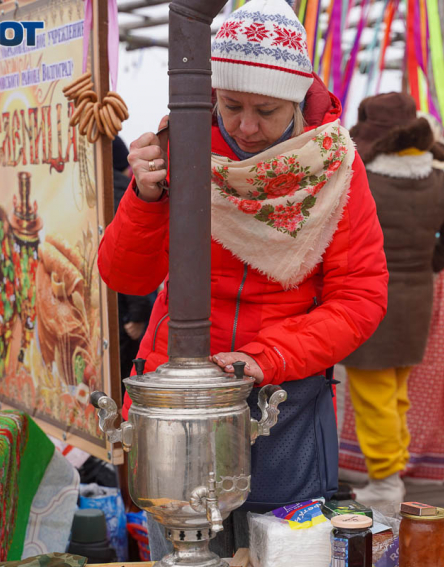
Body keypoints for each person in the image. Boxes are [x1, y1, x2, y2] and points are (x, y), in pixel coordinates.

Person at [97, 0, 388, 557]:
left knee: (279, 551)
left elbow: (361, 298)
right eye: (231, 106)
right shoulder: (179, 142)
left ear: (299, 102)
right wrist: (146, 199)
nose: (246, 127)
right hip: (178, 401)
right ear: (211, 93)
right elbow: (122, 273)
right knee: (179, 549)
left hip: (280, 396)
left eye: (267, 110)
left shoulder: (333, 167)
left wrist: (268, 356)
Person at [336, 93, 444, 506]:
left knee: (373, 397)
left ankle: (386, 482)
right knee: (395, 394)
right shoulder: (438, 183)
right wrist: (427, 265)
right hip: (416, 301)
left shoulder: (363, 179)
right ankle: (390, 473)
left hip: (367, 300)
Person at [111, 137, 157, 380]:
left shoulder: (116, 192)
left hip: (122, 305)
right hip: (125, 305)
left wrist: (136, 313)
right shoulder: (120, 190)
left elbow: (134, 252)